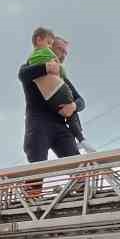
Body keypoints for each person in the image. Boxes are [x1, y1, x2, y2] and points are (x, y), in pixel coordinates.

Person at [19, 26, 81, 166]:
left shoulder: (62, 78)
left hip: (60, 126)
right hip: (38, 123)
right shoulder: (29, 66)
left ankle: (82, 185)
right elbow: (23, 75)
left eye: (66, 52)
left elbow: (81, 100)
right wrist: (46, 67)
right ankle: (34, 188)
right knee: (36, 168)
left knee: (77, 164)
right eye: (60, 50)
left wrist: (73, 106)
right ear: (49, 47)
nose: (63, 55)